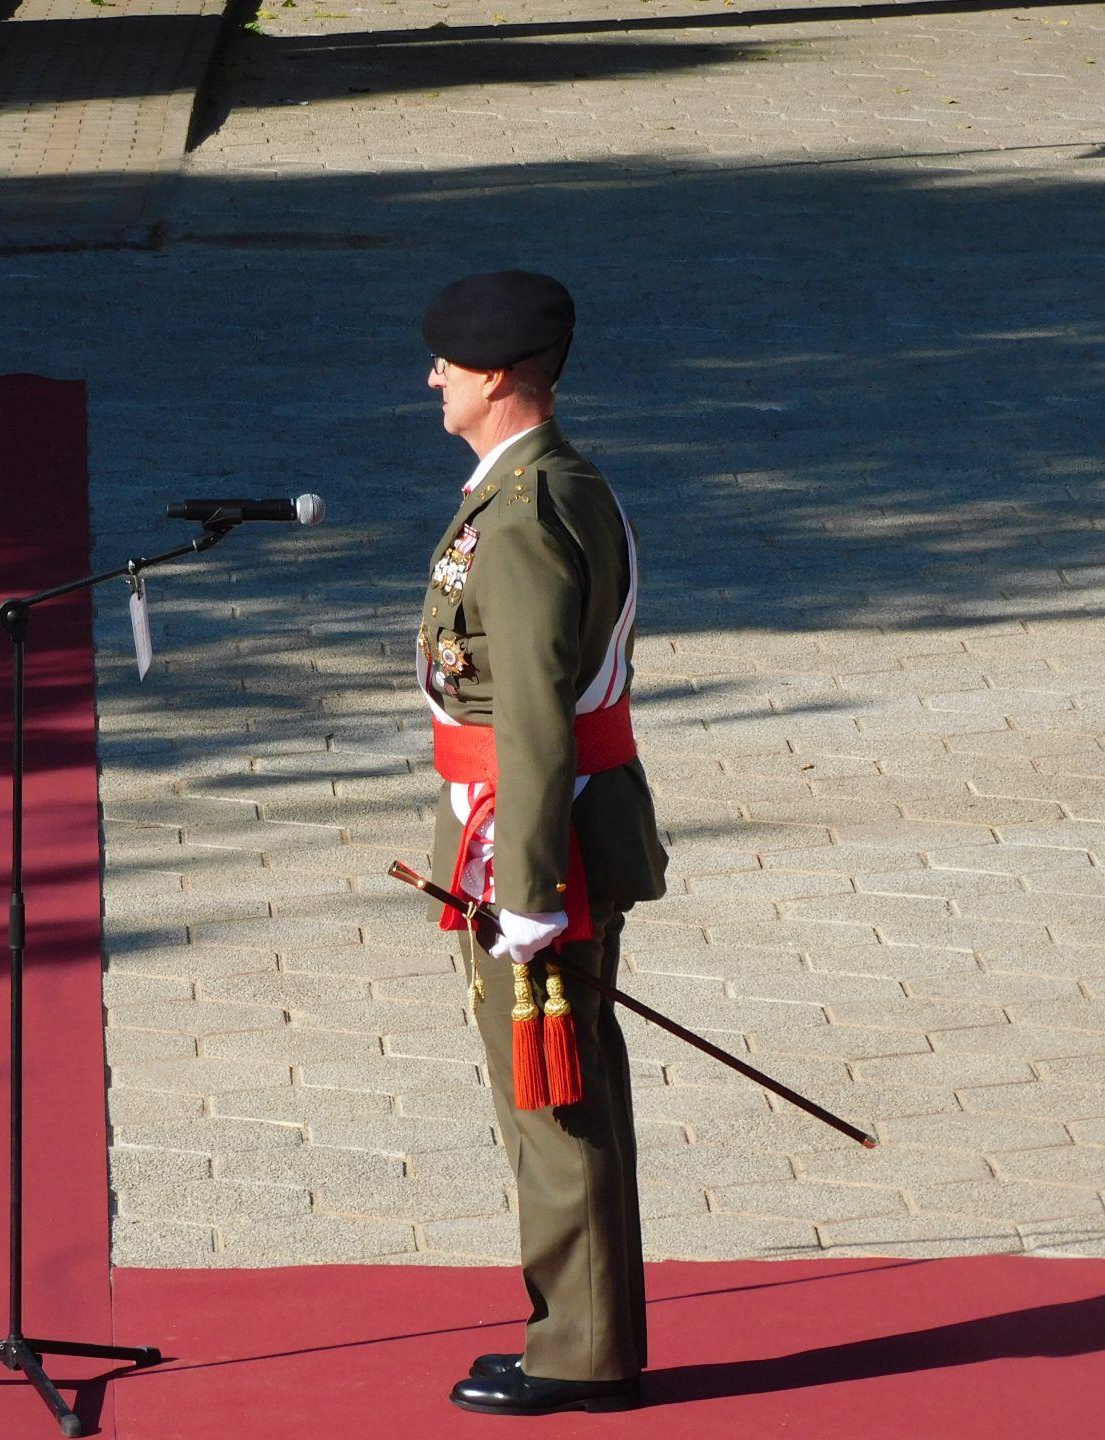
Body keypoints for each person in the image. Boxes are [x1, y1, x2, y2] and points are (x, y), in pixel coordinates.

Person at [415, 270, 671, 1416]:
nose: (433, 378)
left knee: (553, 1099)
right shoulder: (555, 483)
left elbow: (528, 715)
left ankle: (579, 1355)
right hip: (547, 820)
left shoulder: (521, 518)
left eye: (449, 363)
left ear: (499, 377)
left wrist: (524, 888)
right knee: (570, 1092)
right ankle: (584, 1334)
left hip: (529, 835)